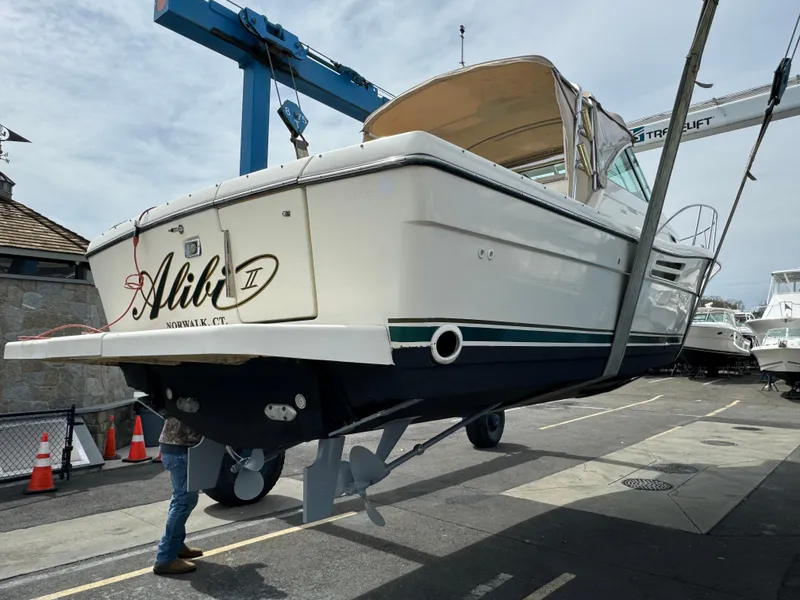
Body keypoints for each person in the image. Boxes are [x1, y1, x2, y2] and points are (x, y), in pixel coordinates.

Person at [153, 415, 204, 576]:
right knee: (184, 501)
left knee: (180, 499)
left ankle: (176, 545)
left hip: (173, 447)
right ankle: (165, 558)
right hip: (182, 450)